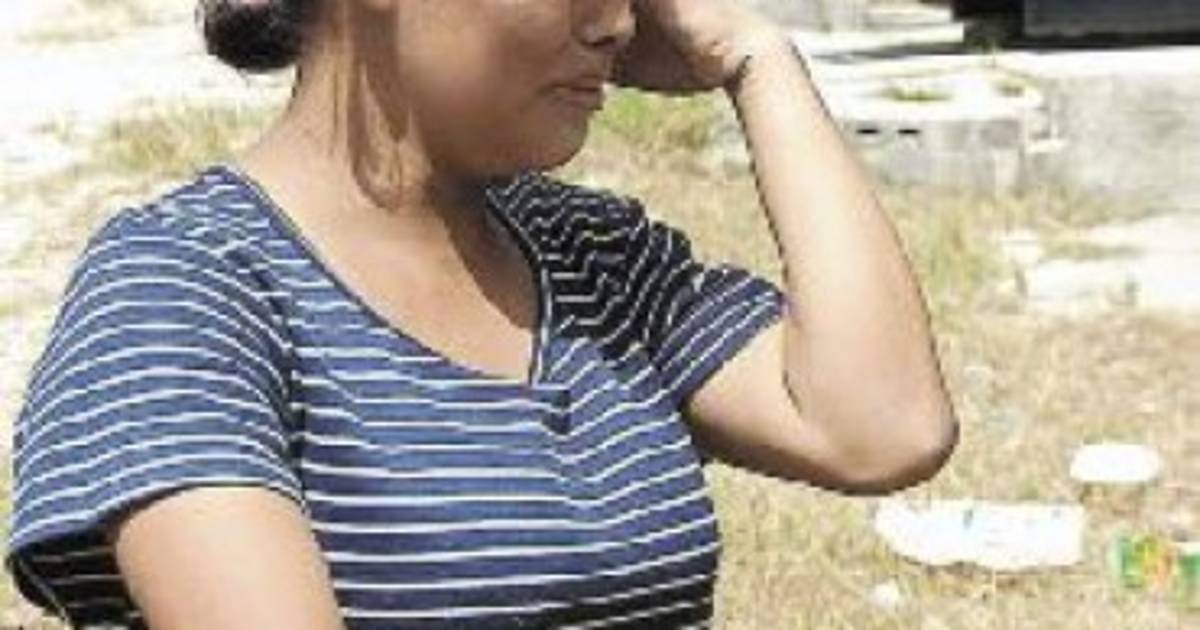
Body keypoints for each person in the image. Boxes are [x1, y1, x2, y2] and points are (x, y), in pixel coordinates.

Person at [4, 0, 959, 628]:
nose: (619, 22)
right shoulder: (181, 293)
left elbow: (881, 428)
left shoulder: (588, 256)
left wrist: (757, 60)